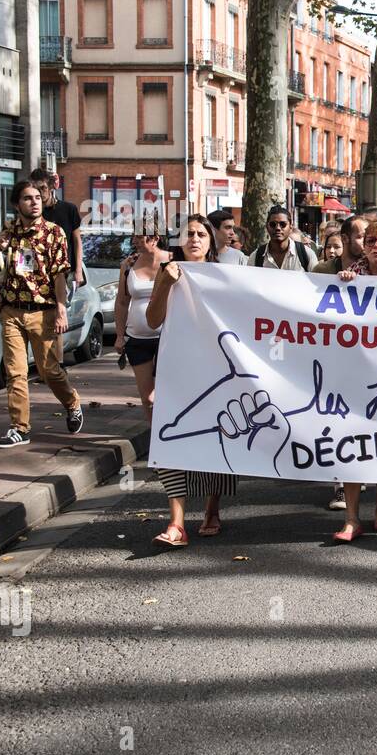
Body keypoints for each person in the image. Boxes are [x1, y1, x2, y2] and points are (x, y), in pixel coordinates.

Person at [144, 215, 235, 545]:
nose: (194, 239)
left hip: (215, 371)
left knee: (217, 437)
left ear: (211, 242)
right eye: (188, 234)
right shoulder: (167, 273)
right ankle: (177, 523)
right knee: (170, 440)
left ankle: (212, 507)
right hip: (175, 369)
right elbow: (153, 320)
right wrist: (166, 284)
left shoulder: (224, 277)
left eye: (201, 234)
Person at [320, 218, 377, 542]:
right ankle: (351, 518)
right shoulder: (348, 278)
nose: (375, 246)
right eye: (370, 239)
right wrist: (342, 285)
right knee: (351, 440)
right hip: (353, 373)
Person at [0, 182, 85, 448]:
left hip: (42, 311)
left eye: (37, 198)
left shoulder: (54, 233)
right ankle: (19, 427)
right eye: (27, 198)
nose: (34, 202)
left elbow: (59, 276)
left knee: (49, 372)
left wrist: (61, 310)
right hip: (11, 310)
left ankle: (72, 402)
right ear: (15, 204)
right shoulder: (9, 232)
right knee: (15, 373)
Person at [112, 227, 172, 422]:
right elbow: (122, 302)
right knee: (147, 398)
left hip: (167, 338)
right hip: (137, 339)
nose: (135, 241)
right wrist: (120, 335)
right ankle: (153, 434)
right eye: (134, 236)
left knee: (166, 394)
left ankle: (166, 436)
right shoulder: (128, 265)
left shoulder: (172, 260)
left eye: (139, 237)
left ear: (154, 238)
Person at [29, 168, 84, 290]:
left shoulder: (69, 209)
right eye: (35, 189)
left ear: (50, 187)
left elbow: (77, 241)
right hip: (38, 274)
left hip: (65, 272)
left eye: (43, 188)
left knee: (63, 307)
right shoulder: (30, 214)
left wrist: (78, 270)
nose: (39, 192)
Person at [252, 206, 318, 271]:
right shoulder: (256, 257)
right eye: (273, 224)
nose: (278, 228)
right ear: (267, 226)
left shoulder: (307, 254)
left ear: (290, 227)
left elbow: (316, 279)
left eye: (283, 224)